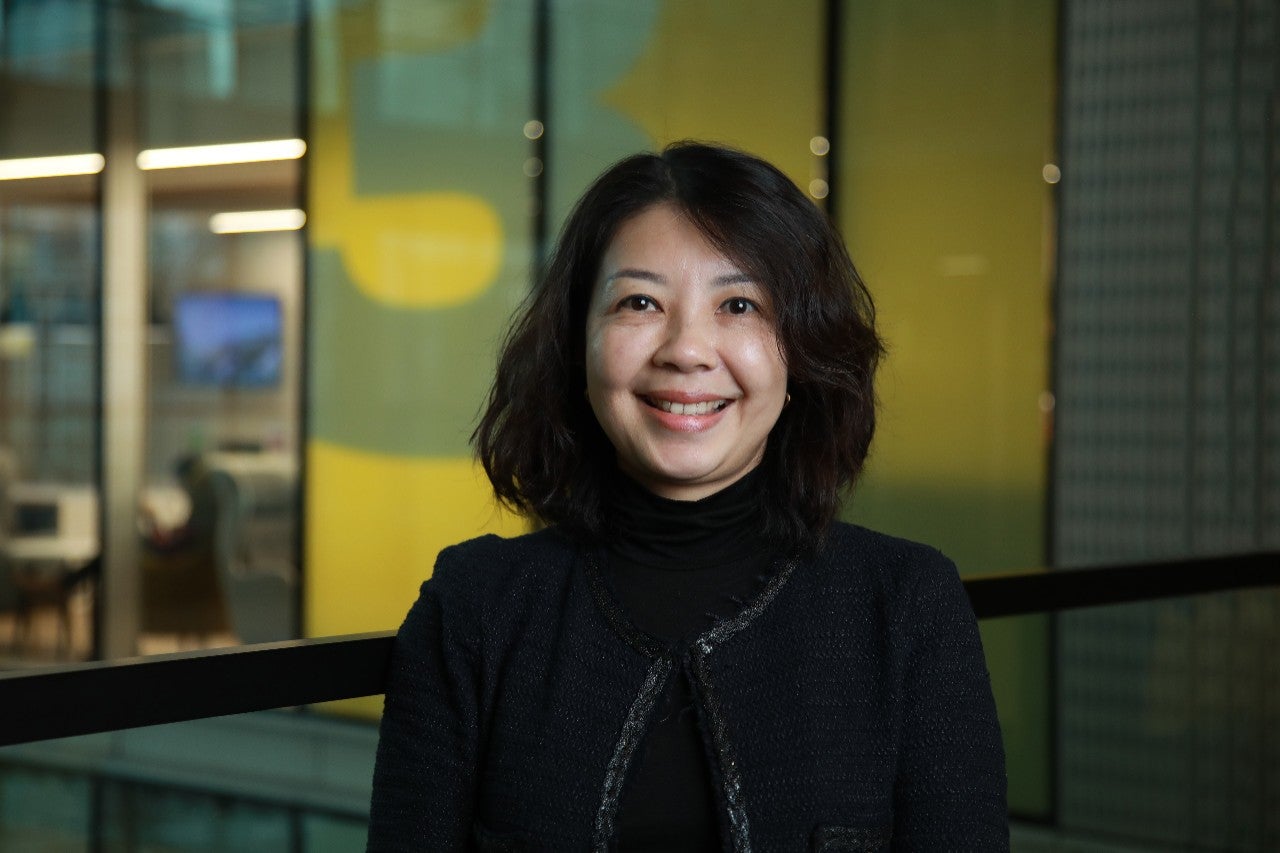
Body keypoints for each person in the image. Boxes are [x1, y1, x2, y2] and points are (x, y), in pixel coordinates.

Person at [366, 142, 1008, 851]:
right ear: (579, 342)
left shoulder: (907, 604)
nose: (686, 350)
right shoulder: (475, 606)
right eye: (639, 302)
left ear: (801, 350)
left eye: (739, 304)